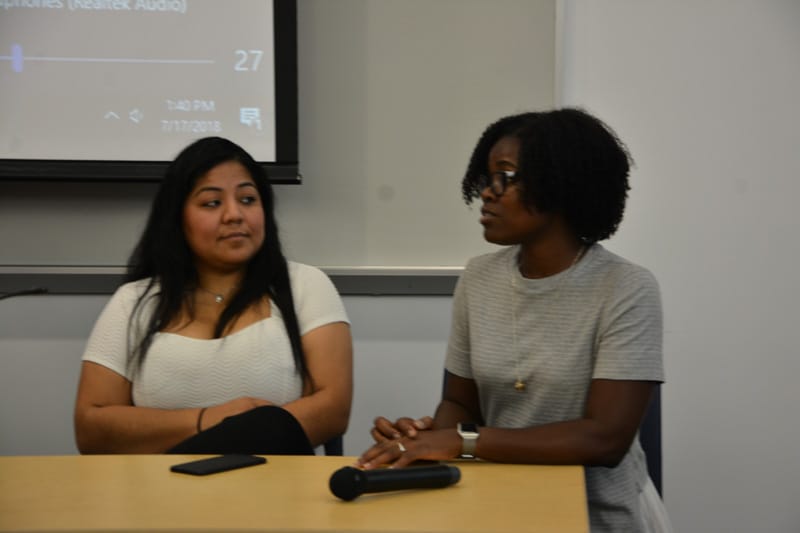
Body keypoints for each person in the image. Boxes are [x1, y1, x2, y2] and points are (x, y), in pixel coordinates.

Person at [357, 109, 672, 532]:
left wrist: (463, 440)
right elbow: (460, 403)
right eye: (486, 178)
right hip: (496, 503)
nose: (487, 193)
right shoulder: (479, 277)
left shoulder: (626, 287)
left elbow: (606, 440)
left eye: (504, 176)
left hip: (596, 515)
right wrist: (425, 442)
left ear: (559, 184)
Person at [74, 137, 352, 455]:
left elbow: (333, 410)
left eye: (248, 199)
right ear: (178, 218)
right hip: (158, 494)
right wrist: (210, 420)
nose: (234, 215)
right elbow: (90, 428)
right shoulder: (134, 301)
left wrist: (243, 434)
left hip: (273, 488)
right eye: (211, 203)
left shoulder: (305, 285)